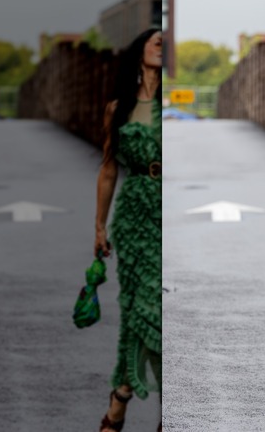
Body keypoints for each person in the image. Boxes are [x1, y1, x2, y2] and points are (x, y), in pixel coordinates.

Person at [94, 28, 162, 432]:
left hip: (165, 207)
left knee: (150, 309)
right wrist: (99, 226)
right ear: (140, 52)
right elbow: (107, 169)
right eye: (158, 42)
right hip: (134, 212)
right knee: (139, 305)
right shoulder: (118, 108)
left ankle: (121, 395)